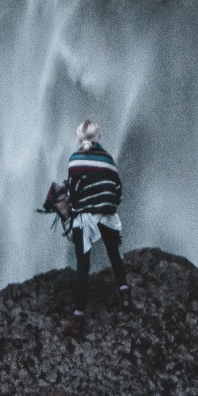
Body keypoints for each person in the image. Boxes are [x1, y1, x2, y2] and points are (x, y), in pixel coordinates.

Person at [65, 117, 129, 337]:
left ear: (79, 137)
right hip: (107, 217)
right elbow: (117, 191)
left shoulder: (75, 160)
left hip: (84, 219)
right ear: (97, 136)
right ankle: (126, 294)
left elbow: (72, 193)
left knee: (83, 266)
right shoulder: (109, 160)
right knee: (114, 255)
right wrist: (105, 204)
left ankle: (78, 316)